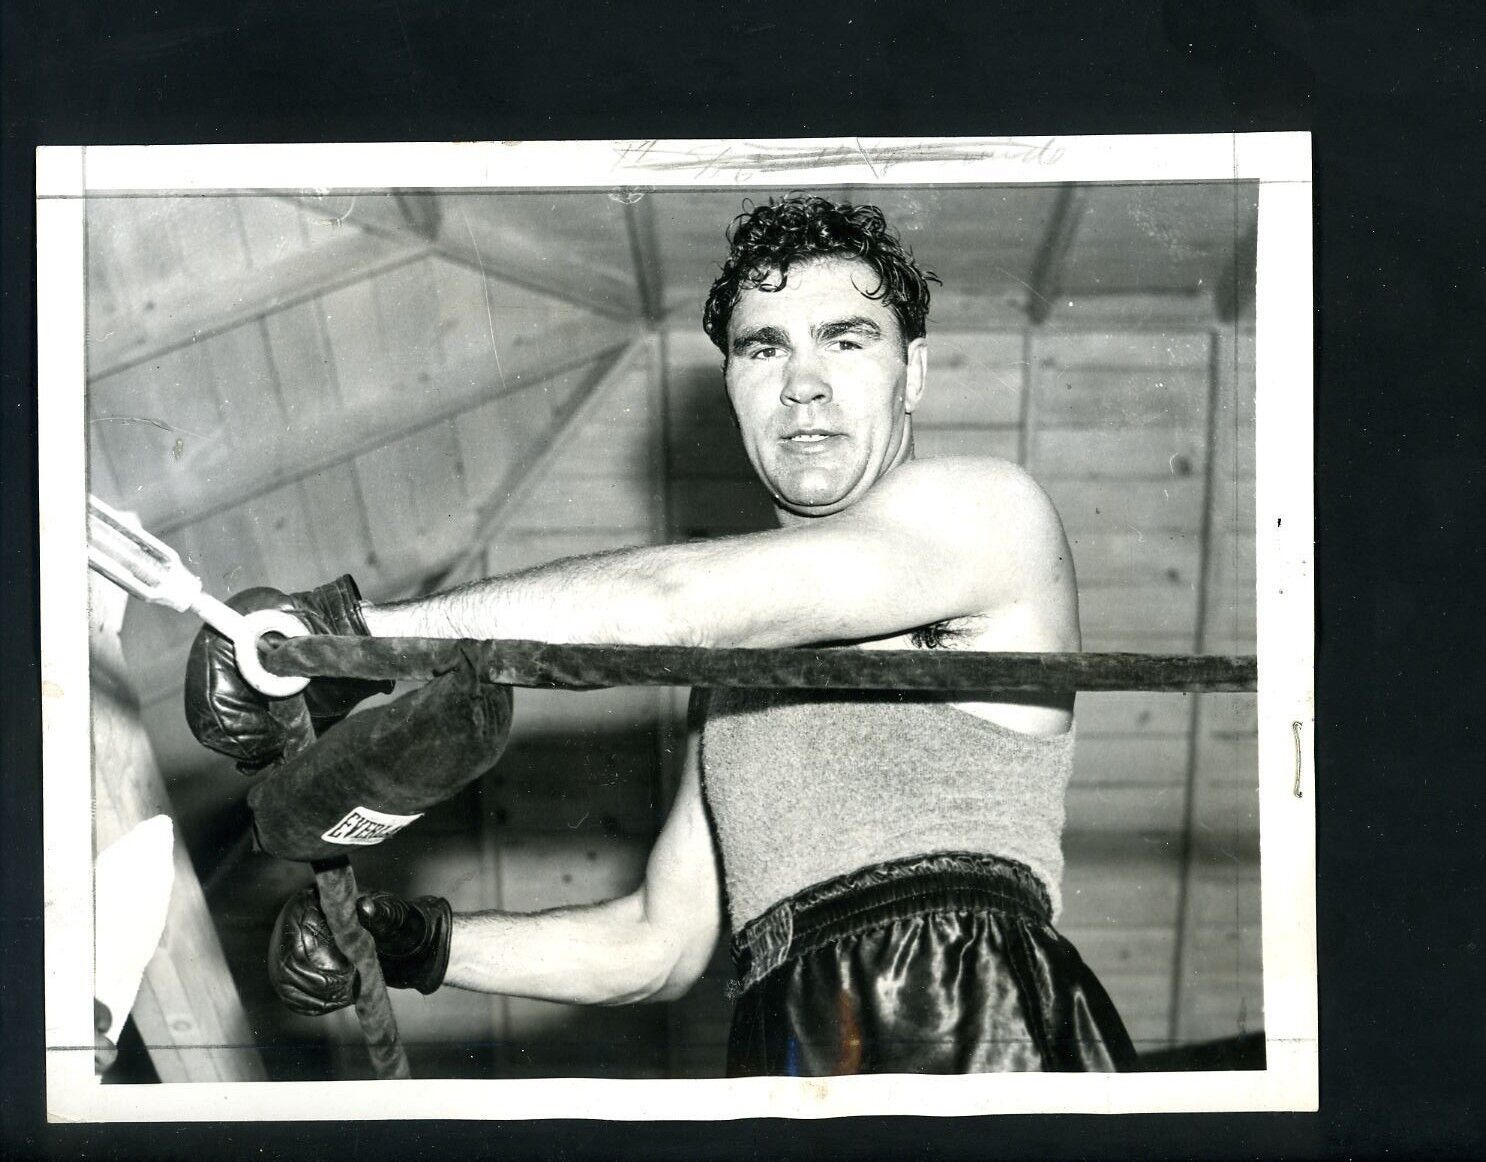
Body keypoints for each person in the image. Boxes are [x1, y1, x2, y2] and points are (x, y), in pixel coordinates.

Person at [196, 194, 1137, 1074]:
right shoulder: (731, 682)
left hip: (971, 1001)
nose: (802, 384)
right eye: (763, 349)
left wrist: (354, 644)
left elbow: (667, 599)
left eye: (845, 339)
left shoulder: (988, 513)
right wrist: (411, 939)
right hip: (784, 1035)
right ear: (730, 385)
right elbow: (654, 945)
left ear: (914, 372)